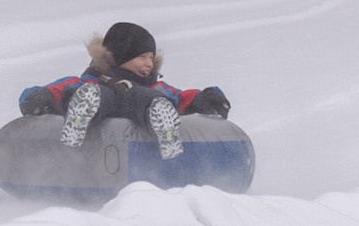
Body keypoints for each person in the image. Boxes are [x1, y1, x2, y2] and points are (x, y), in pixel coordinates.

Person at [14, 21, 231, 161]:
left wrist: (207, 99)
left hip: (141, 101)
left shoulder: (155, 87)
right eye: (141, 57)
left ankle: (162, 122)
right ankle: (80, 116)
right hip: (100, 99)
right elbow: (51, 91)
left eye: (150, 57)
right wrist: (37, 99)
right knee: (94, 93)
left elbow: (184, 98)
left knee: (143, 96)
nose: (148, 63)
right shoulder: (89, 81)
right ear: (120, 56)